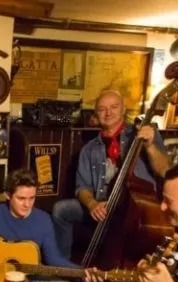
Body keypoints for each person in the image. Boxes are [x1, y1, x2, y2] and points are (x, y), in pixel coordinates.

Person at [51, 90, 170, 259]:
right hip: (101, 206)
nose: (108, 113)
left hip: (135, 207)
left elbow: (164, 170)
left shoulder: (143, 133)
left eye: (114, 107)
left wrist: (150, 145)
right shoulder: (89, 149)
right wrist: (92, 204)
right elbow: (82, 187)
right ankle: (61, 266)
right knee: (61, 209)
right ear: (96, 114)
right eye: (102, 109)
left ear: (123, 109)